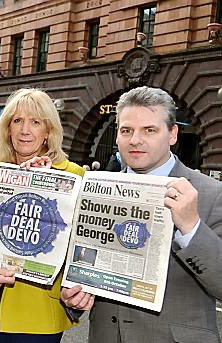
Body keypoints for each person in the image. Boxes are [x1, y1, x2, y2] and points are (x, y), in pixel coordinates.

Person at [61, 86, 222, 342]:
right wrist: (73, 298)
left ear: (172, 134)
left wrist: (191, 228)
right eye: (126, 130)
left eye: (149, 130)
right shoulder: (95, 191)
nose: (135, 140)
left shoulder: (211, 193)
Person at [0, 88, 84, 343]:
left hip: (39, 312)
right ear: (7, 128)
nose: (25, 130)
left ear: (48, 131)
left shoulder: (74, 176)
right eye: (17, 121)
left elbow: (82, 240)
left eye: (35, 122)